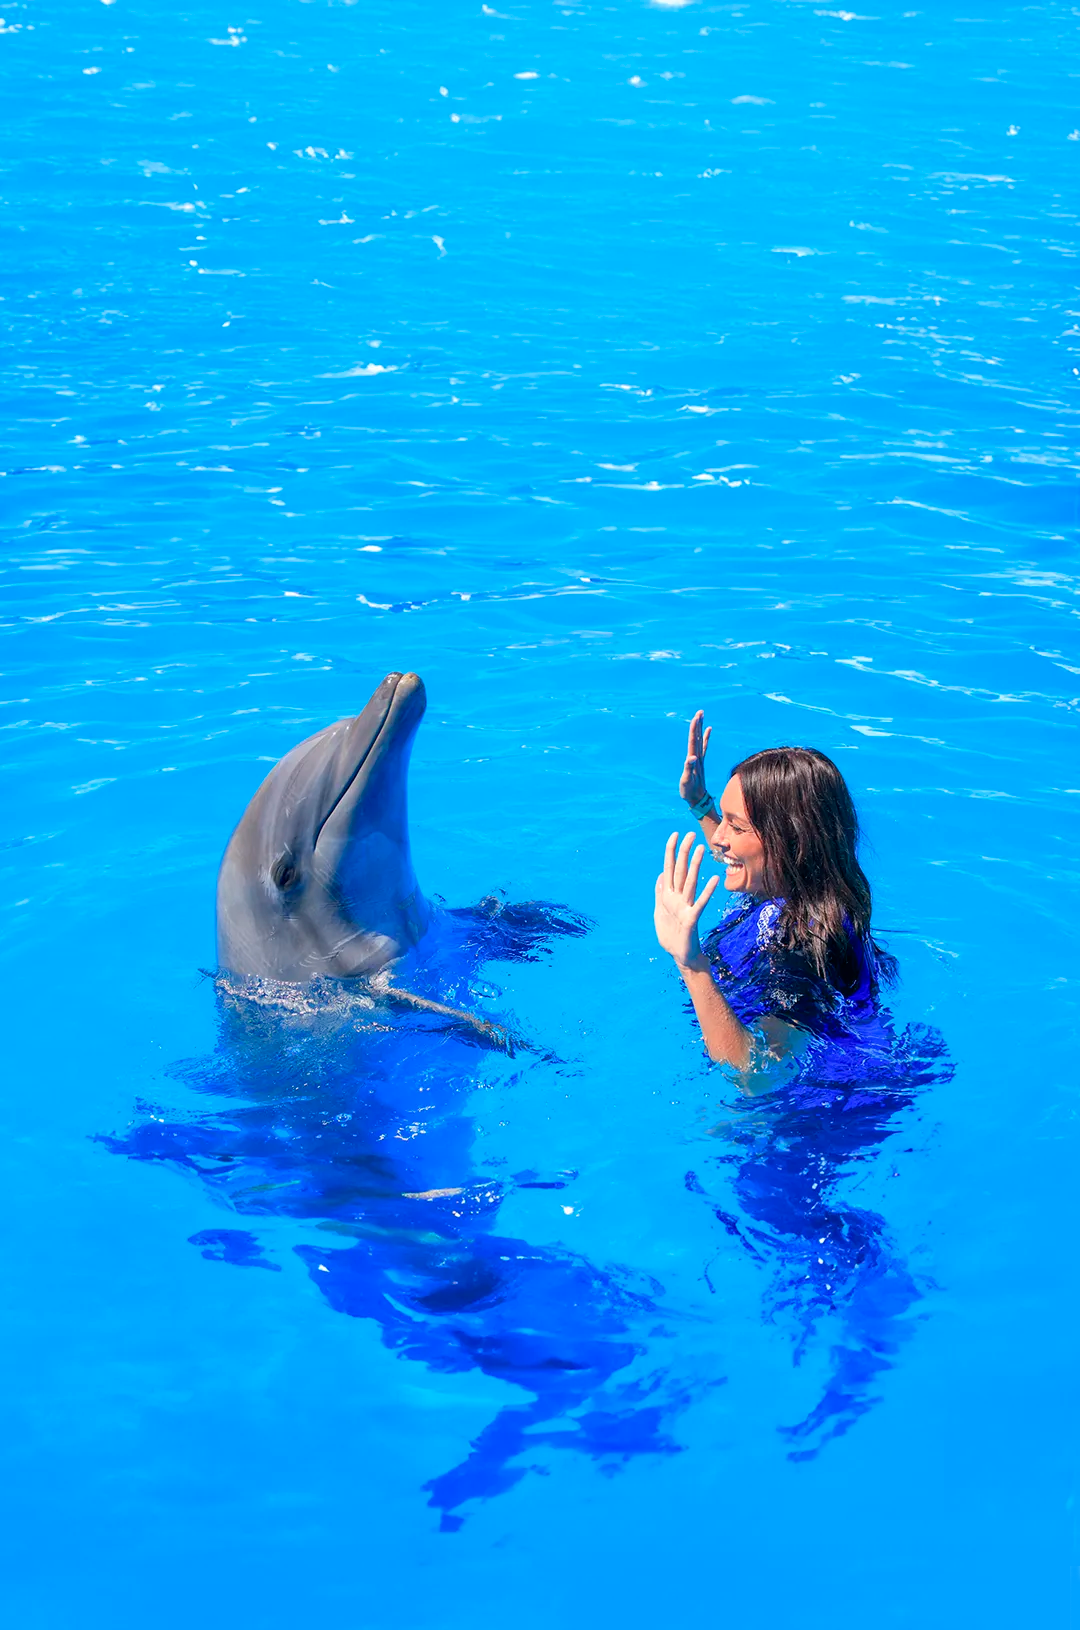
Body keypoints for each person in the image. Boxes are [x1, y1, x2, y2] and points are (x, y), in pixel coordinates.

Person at [653, 711, 897, 1076]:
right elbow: (744, 855)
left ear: (790, 844)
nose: (719, 839)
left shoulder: (798, 948)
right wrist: (701, 804)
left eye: (735, 825)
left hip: (822, 1115)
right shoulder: (805, 889)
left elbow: (758, 1074)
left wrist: (691, 964)